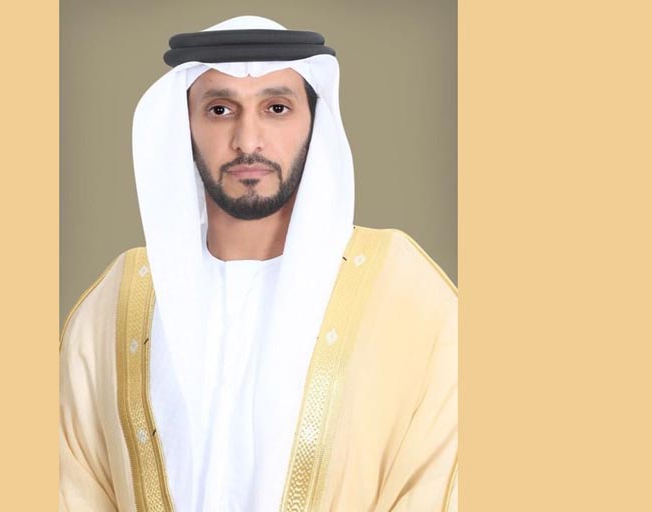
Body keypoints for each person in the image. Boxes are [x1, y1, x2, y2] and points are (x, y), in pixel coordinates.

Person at [60, 15, 457, 512]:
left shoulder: (406, 296)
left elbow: (437, 482)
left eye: (276, 108)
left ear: (314, 124)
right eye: (220, 109)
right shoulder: (117, 304)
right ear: (184, 126)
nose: (248, 141)